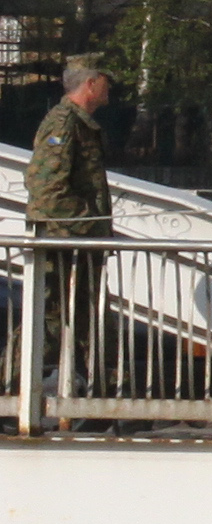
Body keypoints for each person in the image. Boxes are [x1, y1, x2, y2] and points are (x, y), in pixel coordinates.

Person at [24, 57, 116, 393]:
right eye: (106, 80)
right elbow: (46, 189)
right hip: (63, 249)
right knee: (49, 324)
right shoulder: (64, 123)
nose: (110, 88)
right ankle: (8, 390)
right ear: (91, 83)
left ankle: (94, 399)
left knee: (85, 325)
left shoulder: (80, 124)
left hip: (78, 248)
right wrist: (88, 225)